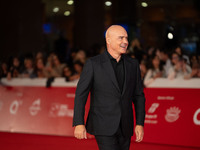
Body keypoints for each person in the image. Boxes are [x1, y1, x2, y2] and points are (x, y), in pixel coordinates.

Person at [73, 25, 146, 150]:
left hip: (125, 126)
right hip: (103, 125)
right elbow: (81, 95)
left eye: (126, 38)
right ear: (108, 40)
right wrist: (79, 123)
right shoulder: (93, 64)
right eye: (121, 38)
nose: (125, 42)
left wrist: (140, 123)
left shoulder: (132, 64)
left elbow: (139, 96)